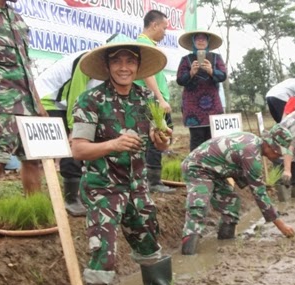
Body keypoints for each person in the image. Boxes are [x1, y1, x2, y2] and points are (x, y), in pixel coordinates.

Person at [71, 41, 173, 285]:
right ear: (107, 66)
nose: (124, 67)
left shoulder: (148, 100)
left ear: (138, 66)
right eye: (117, 61)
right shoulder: (90, 101)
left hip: (137, 188)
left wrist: (161, 140)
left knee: (150, 247)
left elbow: (163, 144)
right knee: (103, 254)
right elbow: (78, 149)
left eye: (130, 61)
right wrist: (113, 144)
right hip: (103, 188)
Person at [35, 33, 129, 217]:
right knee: (74, 143)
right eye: (116, 59)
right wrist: (73, 128)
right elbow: (76, 96)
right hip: (49, 100)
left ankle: (90, 187)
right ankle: (71, 199)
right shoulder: (86, 63)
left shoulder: (111, 73)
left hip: (66, 103)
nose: (121, 65)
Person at [0, 0, 48, 243]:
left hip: (26, 104)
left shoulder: (16, 18)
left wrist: (38, 102)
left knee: (32, 161)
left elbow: (26, 66)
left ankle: (35, 214)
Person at [181, 124, 295, 255]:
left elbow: (239, 169)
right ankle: (188, 254)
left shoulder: (254, 143)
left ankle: (225, 242)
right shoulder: (251, 154)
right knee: (199, 206)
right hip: (197, 167)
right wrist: (282, 226)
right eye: (280, 152)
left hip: (216, 171)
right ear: (272, 147)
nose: (279, 156)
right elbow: (259, 195)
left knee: (231, 203)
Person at [134, 9, 175, 194]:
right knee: (155, 138)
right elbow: (146, 73)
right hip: (151, 101)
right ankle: (153, 182)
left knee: (158, 137)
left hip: (154, 99)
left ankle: (151, 181)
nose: (165, 32)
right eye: (164, 28)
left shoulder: (148, 44)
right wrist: (159, 99)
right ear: (154, 25)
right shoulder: (144, 44)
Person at [176, 30, 227, 151]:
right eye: (197, 38)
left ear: (207, 41)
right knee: (197, 139)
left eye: (203, 38)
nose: (200, 40)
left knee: (213, 140)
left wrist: (211, 71)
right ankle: (195, 167)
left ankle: (212, 168)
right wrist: (191, 73)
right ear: (193, 41)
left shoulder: (216, 58)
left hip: (213, 107)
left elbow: (223, 76)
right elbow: (180, 80)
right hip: (193, 108)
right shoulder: (186, 59)